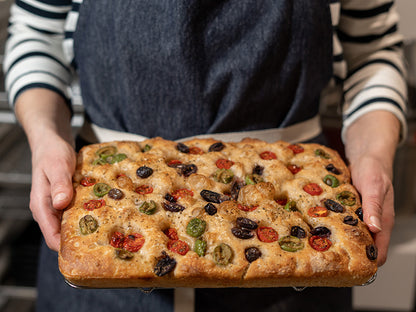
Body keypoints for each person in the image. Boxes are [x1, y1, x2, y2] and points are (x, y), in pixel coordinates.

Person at [3, 0, 407, 311]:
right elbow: (36, 36)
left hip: (295, 268)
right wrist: (45, 138)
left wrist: (375, 154)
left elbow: (374, 51)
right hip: (104, 253)